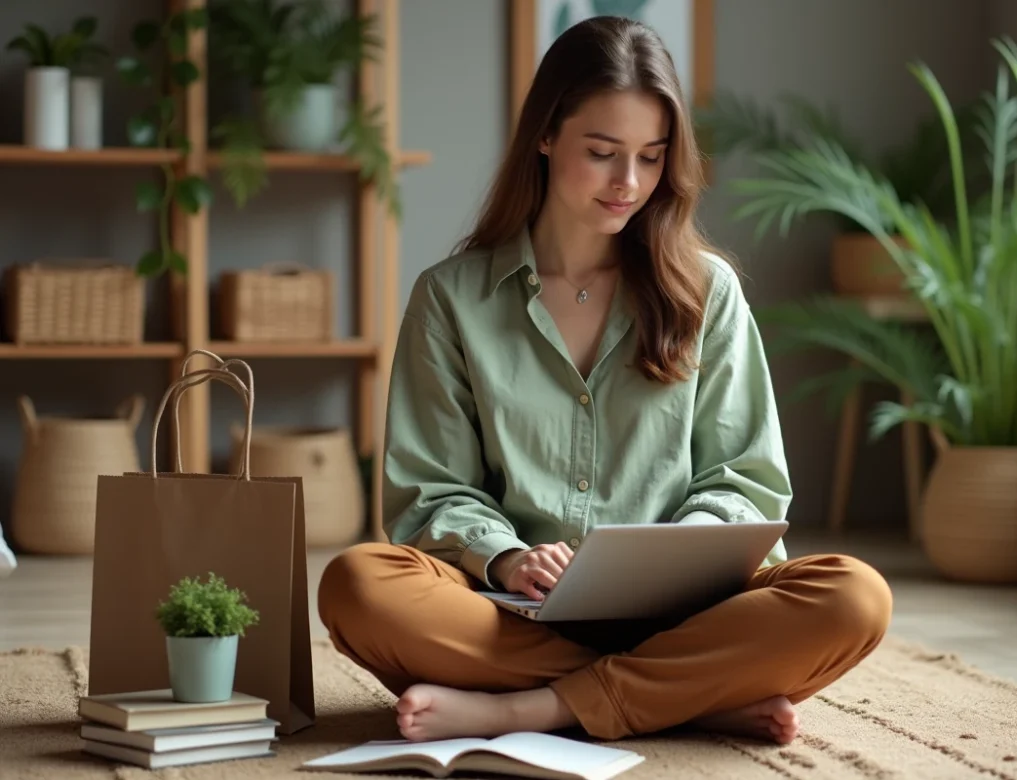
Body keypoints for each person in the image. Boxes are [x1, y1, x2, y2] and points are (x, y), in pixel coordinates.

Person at [318, 15, 892, 747]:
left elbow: (744, 479)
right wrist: (507, 554)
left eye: (652, 158)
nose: (630, 183)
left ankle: (535, 709)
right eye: (603, 152)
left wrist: (677, 558)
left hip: (688, 611)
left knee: (854, 597)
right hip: (510, 612)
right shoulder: (452, 298)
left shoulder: (706, 292)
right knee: (359, 586)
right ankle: (685, 695)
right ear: (547, 136)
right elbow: (430, 489)